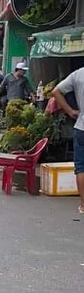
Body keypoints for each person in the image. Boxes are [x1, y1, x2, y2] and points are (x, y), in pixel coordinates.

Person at [52, 67, 84, 215]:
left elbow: (56, 91)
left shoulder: (78, 74)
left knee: (81, 168)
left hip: (81, 127)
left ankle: (83, 205)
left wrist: (70, 111)